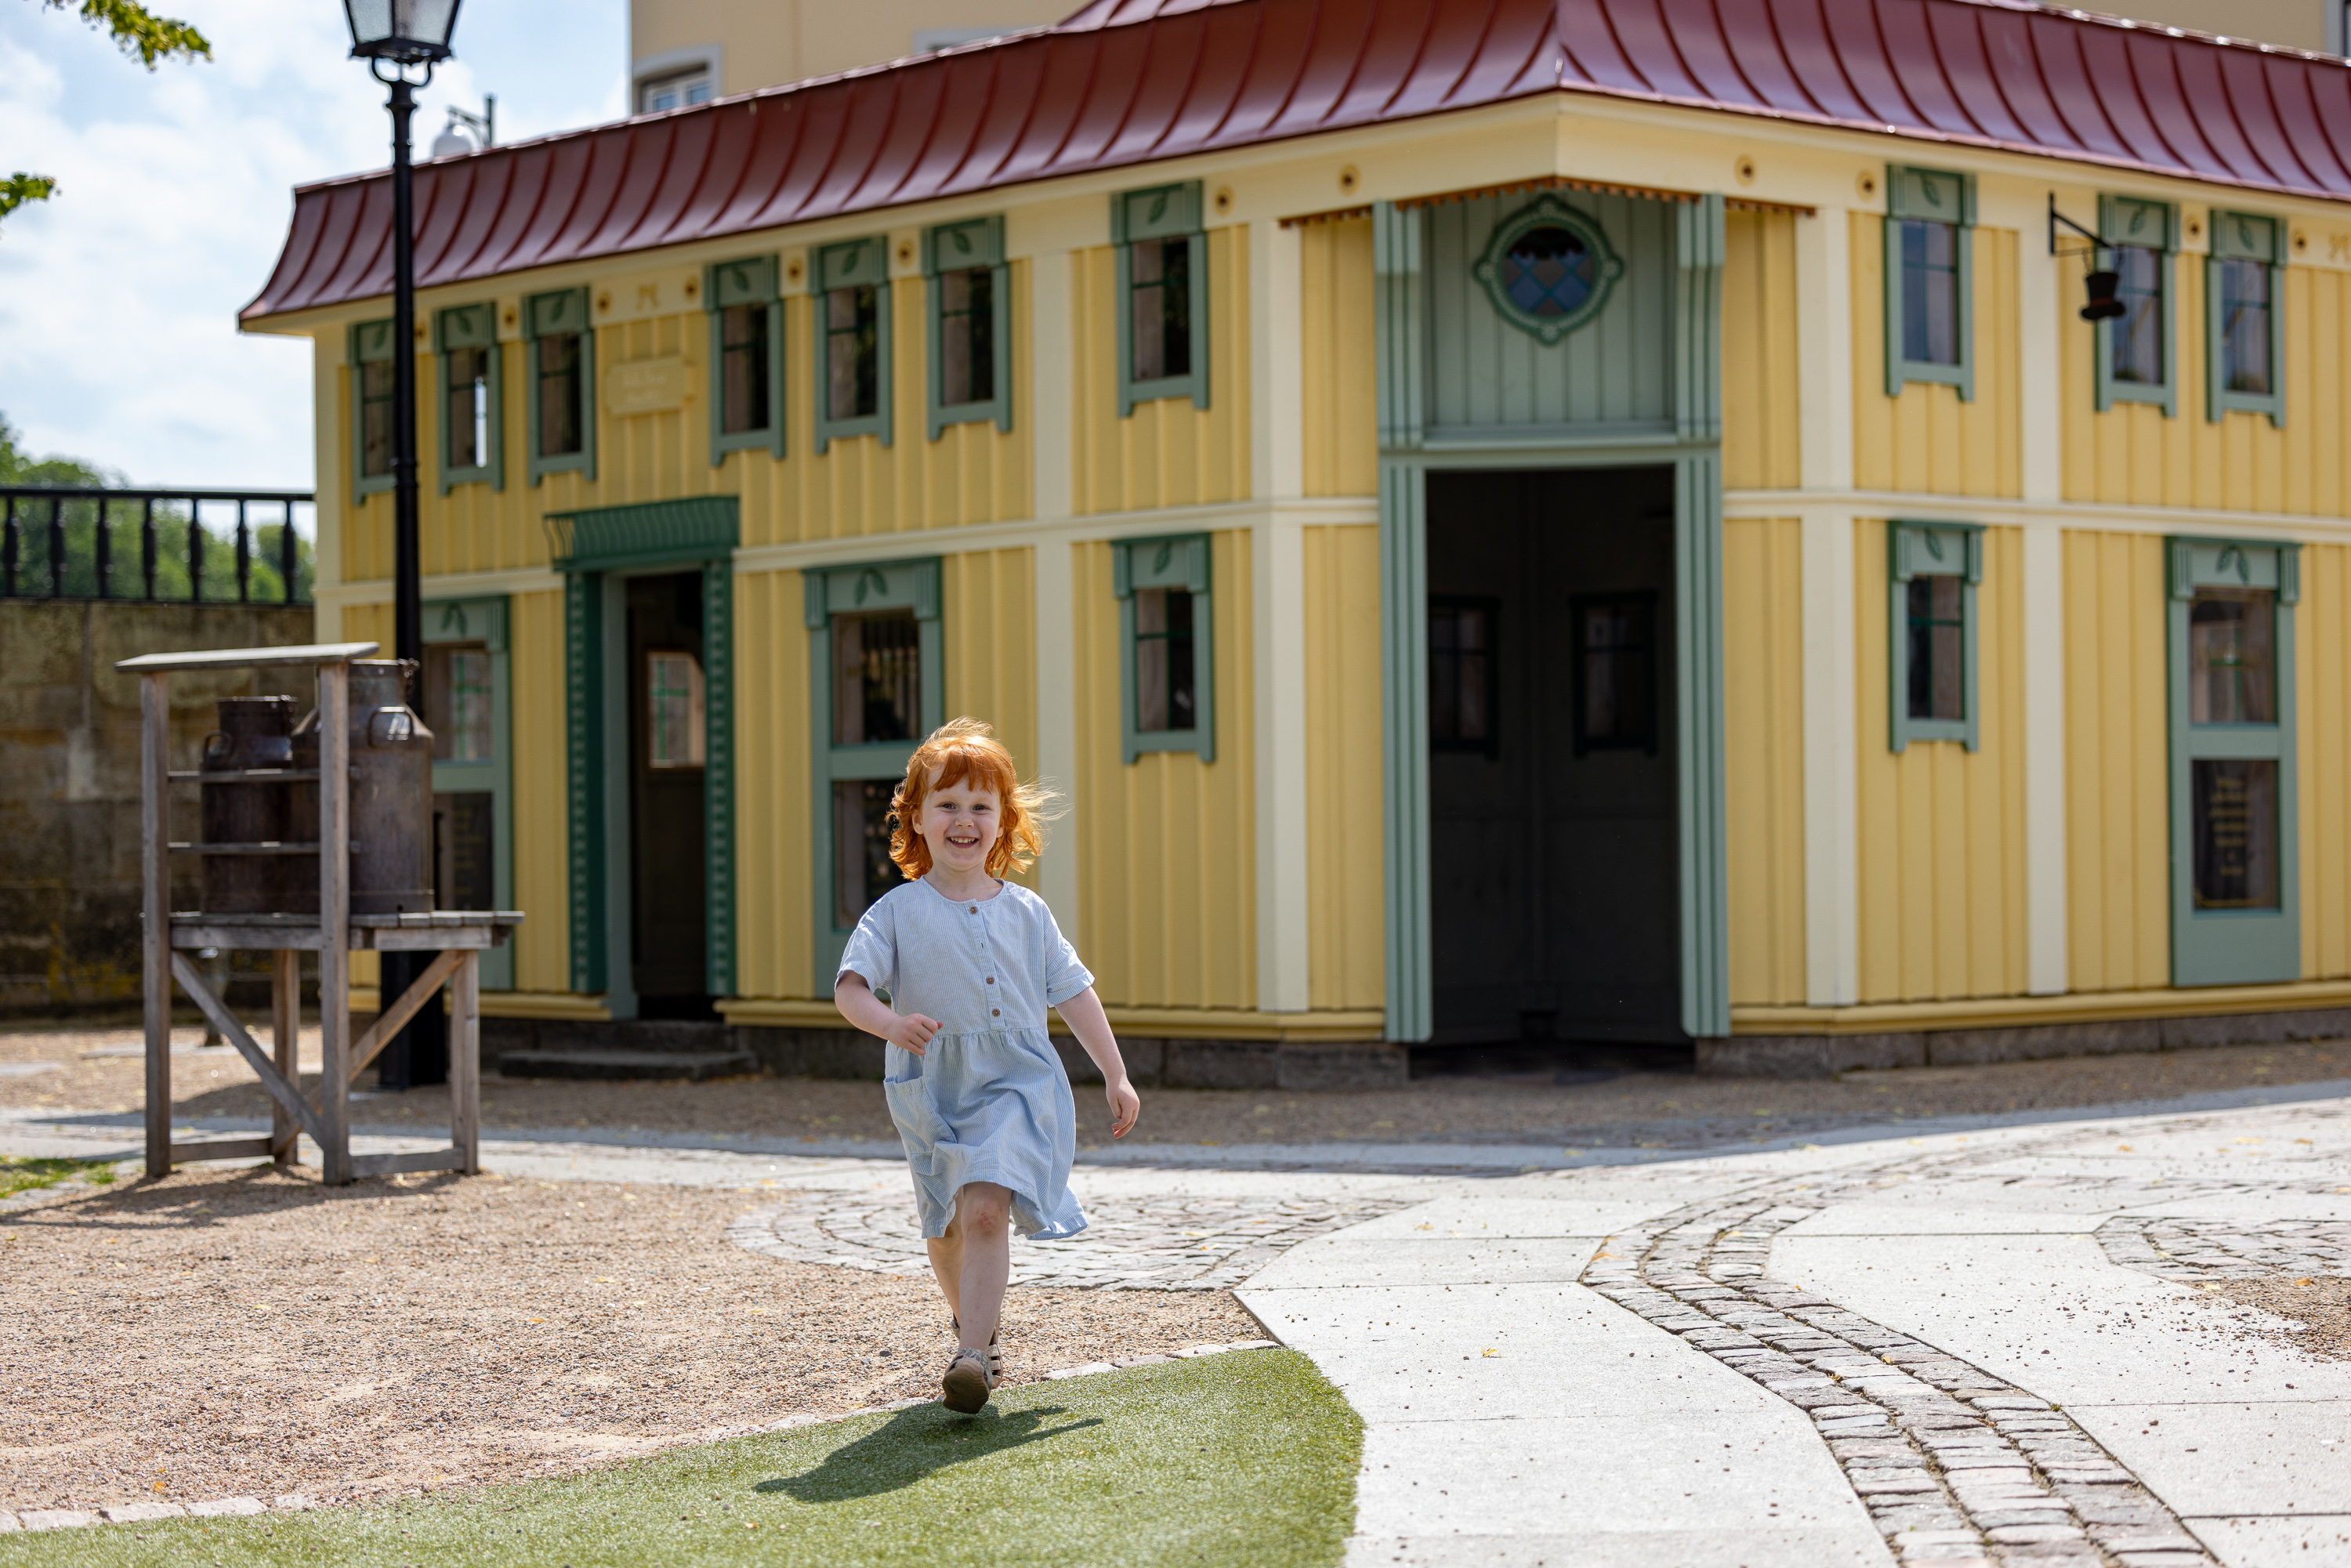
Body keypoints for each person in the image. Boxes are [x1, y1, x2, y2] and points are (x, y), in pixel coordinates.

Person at [833, 717, 1141, 1414]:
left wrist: (1115, 1073)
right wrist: (891, 1022)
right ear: (916, 816)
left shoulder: (1029, 912)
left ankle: (970, 1356)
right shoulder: (896, 912)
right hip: (932, 1089)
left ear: (1003, 820)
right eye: (947, 804)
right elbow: (850, 988)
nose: (964, 820)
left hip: (1015, 1082)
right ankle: (977, 1326)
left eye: (981, 806)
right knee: (945, 1225)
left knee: (984, 1209)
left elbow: (1075, 991)